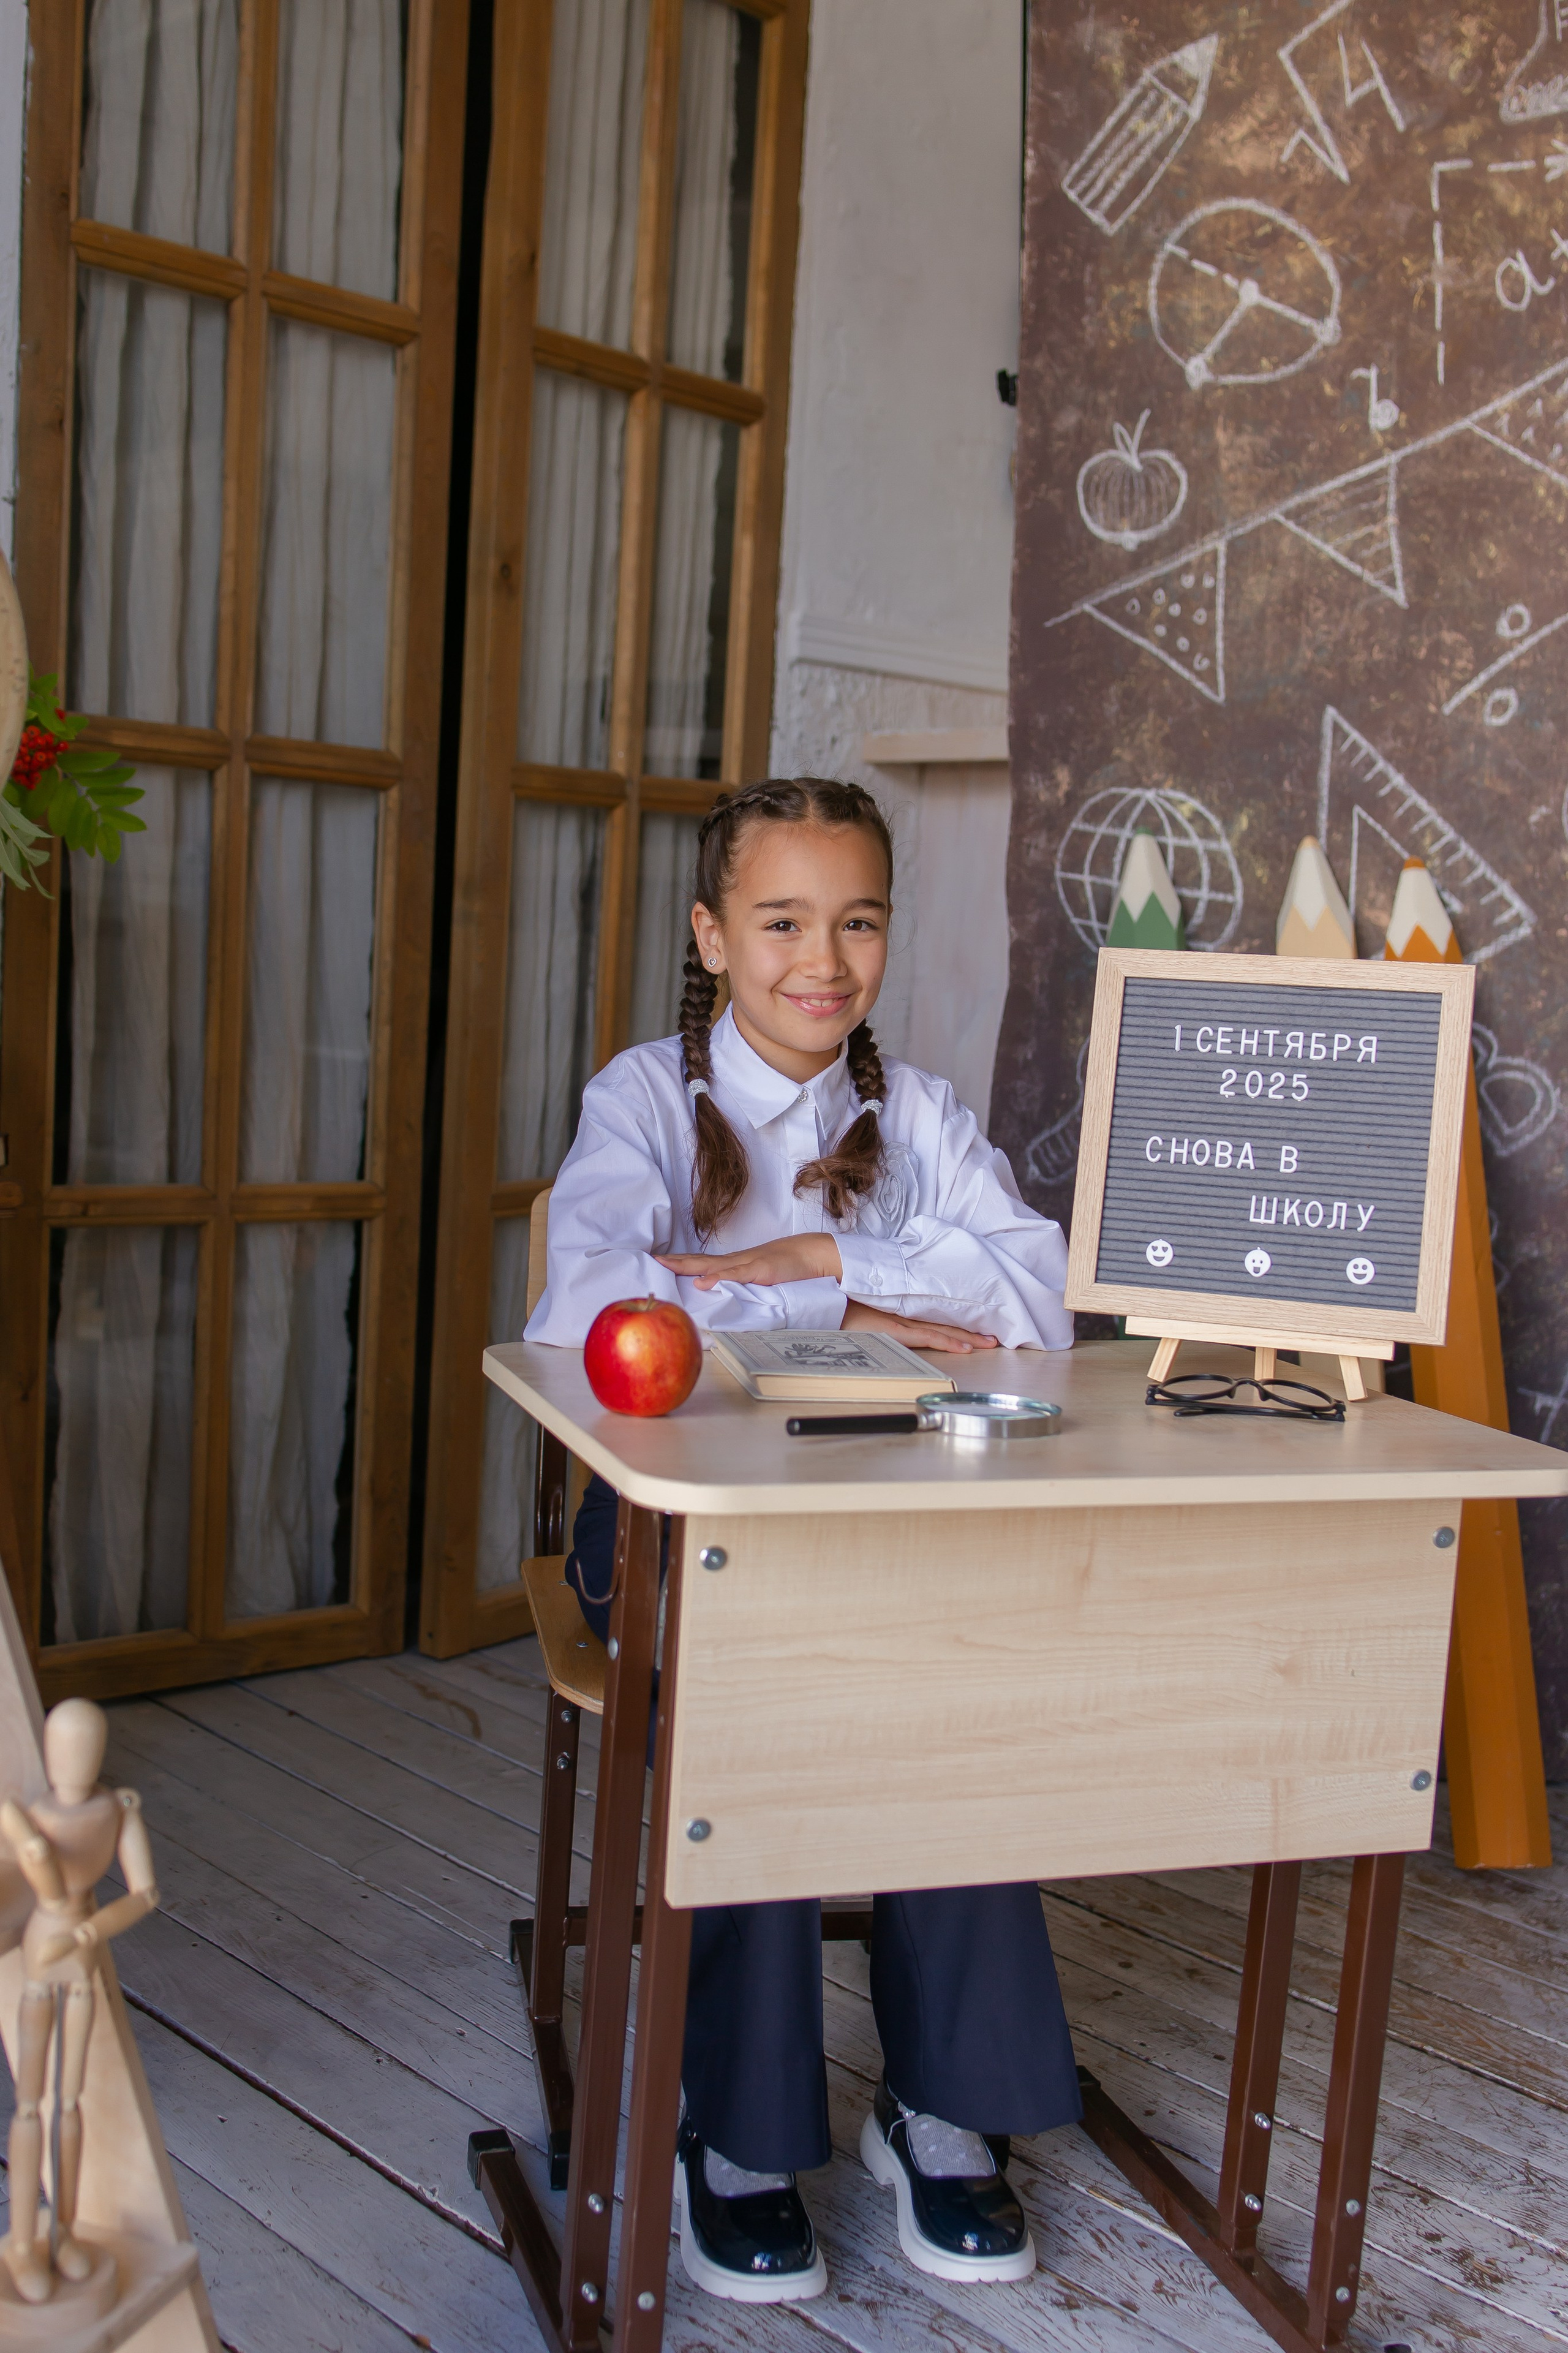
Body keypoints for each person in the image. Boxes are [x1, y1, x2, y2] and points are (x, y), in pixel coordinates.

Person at [526, 776, 1080, 2305]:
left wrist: (825, 1242)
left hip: (888, 1532)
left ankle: (941, 2101)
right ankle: (741, 2128)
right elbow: (588, 1311)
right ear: (711, 935)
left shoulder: (914, 1116)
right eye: (779, 920)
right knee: (756, 1685)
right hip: (668, 1539)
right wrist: (838, 1305)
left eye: (855, 921)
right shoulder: (641, 1098)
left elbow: (1037, 1312)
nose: (818, 959)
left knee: (961, 1680)